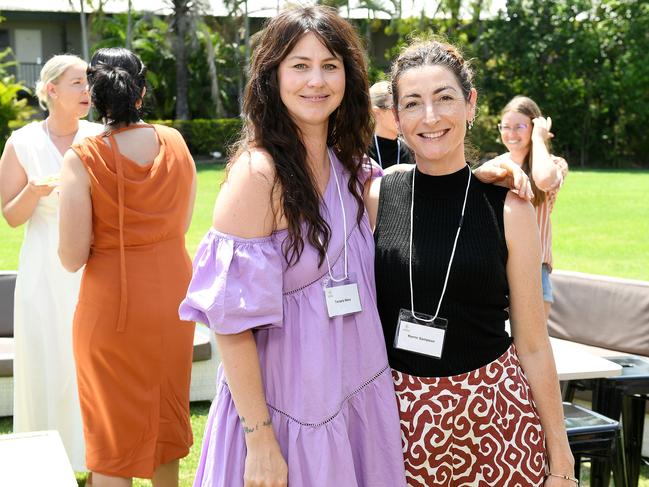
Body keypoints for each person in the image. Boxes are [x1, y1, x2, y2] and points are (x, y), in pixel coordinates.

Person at [179, 7, 407, 487]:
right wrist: (260, 440)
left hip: (353, 394)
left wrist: (479, 179)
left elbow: (415, 205)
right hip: (283, 416)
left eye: (329, 65)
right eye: (299, 65)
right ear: (273, 76)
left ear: (349, 76)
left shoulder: (353, 167)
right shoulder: (258, 175)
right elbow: (231, 324)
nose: (316, 80)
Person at [366, 39, 576, 486]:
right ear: (396, 117)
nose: (431, 117)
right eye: (413, 103)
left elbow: (534, 344)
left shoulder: (508, 207)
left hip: (495, 425)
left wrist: (561, 461)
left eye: (445, 98)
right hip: (396, 429)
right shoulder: (379, 196)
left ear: (471, 104)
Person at [58, 48, 196, 486]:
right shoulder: (173, 140)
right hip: (174, 299)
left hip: (113, 304)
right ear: (141, 92)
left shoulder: (82, 157)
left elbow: (71, 256)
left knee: (112, 438)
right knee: (165, 426)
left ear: (96, 96)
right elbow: (184, 219)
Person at [0, 54, 102, 472]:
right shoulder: (21, 142)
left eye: (89, 83)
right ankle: (44, 466)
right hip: (42, 273)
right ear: (52, 90)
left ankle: (98, 460)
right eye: (78, 83)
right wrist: (33, 192)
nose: (87, 91)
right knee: (44, 361)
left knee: (89, 366)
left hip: (92, 270)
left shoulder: (100, 136)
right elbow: (10, 216)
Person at [488, 96, 568, 320]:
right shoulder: (495, 167)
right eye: (506, 127)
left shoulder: (554, 164)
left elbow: (543, 180)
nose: (511, 134)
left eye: (520, 127)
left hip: (535, 268)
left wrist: (539, 139)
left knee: (531, 349)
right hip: (495, 267)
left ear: (534, 127)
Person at [367, 81, 413, 169]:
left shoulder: (411, 150)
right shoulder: (360, 153)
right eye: (395, 108)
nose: (403, 114)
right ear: (376, 113)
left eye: (406, 106)